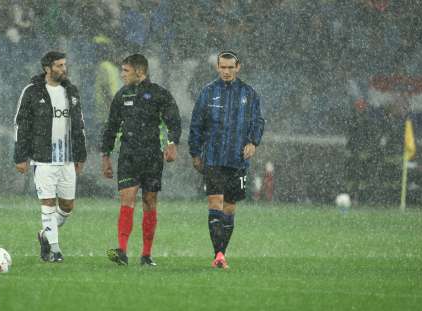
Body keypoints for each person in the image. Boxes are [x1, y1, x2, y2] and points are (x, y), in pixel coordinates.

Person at [101, 53, 181, 266]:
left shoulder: (158, 94)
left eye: (126, 71)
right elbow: (111, 127)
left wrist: (172, 143)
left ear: (140, 72)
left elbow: (174, 119)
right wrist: (105, 154)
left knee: (149, 201)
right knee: (127, 198)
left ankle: (146, 255)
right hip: (128, 156)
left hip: (152, 156)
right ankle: (122, 251)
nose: (122, 74)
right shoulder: (121, 96)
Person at [188, 50, 265, 269]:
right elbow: (196, 124)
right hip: (213, 158)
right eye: (223, 67)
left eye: (231, 67)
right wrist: (195, 152)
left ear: (238, 67)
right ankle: (219, 254)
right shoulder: (208, 92)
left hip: (237, 160)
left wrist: (253, 142)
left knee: (230, 208)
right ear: (217, 67)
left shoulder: (249, 94)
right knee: (215, 203)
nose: (227, 71)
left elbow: (258, 121)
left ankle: (221, 252)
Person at [14, 51, 87, 263]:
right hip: (43, 157)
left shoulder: (71, 91)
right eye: (59, 66)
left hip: (67, 158)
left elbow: (79, 124)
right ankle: (55, 250)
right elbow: (21, 124)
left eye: (64, 65)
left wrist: (80, 155)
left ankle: (45, 234)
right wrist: (20, 156)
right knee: (47, 203)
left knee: (67, 206)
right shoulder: (32, 92)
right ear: (47, 68)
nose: (64, 69)